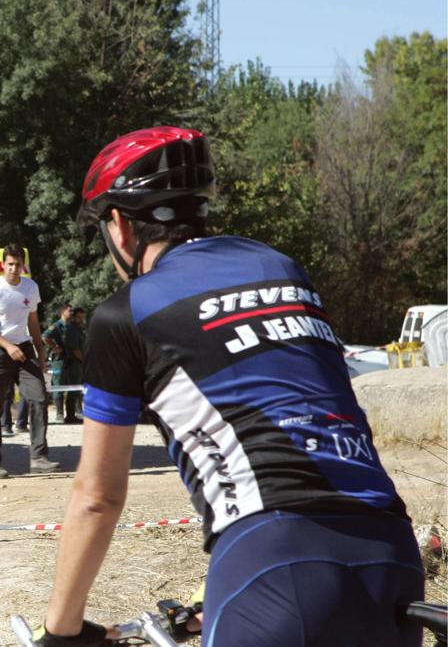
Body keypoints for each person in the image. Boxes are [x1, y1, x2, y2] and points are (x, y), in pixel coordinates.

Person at [32, 127, 422, 647]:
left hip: (274, 557)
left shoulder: (128, 313)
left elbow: (97, 497)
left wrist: (61, 630)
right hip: (390, 552)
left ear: (120, 225)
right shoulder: (281, 269)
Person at [0, 244, 55, 478]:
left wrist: (40, 356)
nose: (13, 268)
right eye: (9, 264)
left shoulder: (30, 287)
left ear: (23, 265)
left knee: (39, 397)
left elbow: (33, 323)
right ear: (3, 264)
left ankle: (39, 457)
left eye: (17, 264)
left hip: (24, 349)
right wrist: (7, 346)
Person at [42, 303, 72, 423]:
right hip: (59, 361)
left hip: (70, 360)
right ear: (63, 312)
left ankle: (71, 415)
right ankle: (59, 414)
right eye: (69, 310)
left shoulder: (70, 326)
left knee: (71, 387)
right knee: (58, 386)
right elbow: (44, 337)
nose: (72, 313)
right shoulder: (56, 326)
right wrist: (54, 347)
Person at [56, 307, 86, 424]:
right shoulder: (72, 329)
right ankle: (69, 415)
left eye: (83, 318)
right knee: (72, 389)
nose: (81, 320)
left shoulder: (78, 329)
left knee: (75, 390)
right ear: (73, 317)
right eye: (79, 317)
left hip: (77, 363)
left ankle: (71, 415)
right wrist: (84, 361)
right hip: (73, 362)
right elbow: (75, 349)